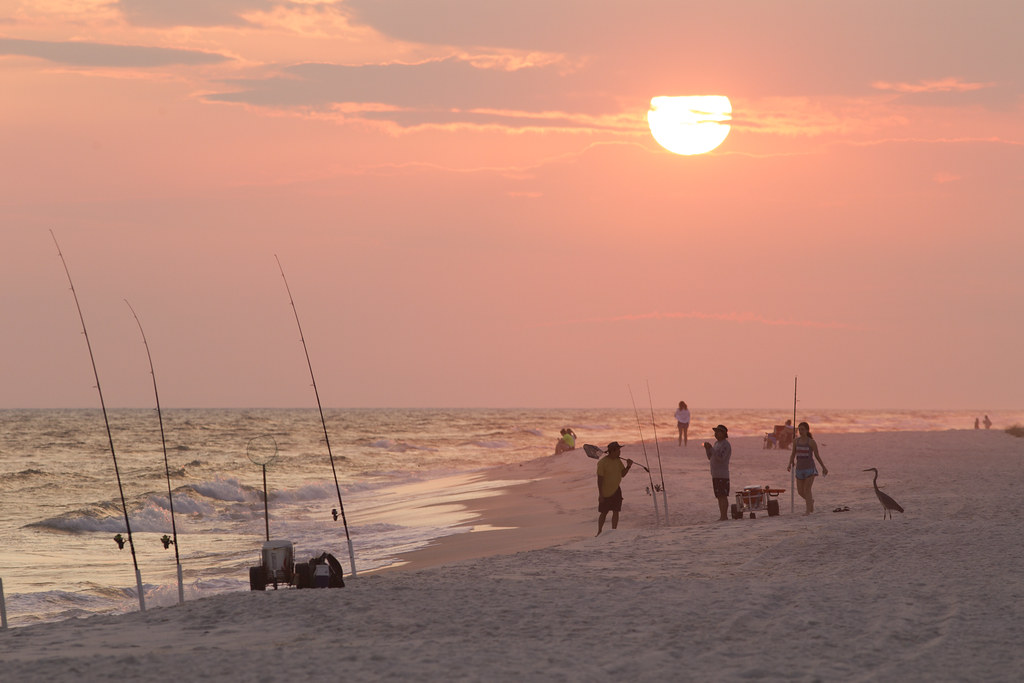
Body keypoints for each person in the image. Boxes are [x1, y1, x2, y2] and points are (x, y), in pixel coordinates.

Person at [786, 421, 828, 515]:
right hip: (799, 469)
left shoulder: (811, 442)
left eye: (802, 429)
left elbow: (817, 456)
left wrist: (823, 467)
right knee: (800, 491)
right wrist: (790, 463)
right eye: (799, 429)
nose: (801, 431)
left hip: (810, 469)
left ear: (807, 430)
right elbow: (793, 454)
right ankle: (810, 502)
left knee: (807, 489)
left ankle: (807, 511)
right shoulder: (796, 441)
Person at [596, 441, 634, 535]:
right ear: (612, 451)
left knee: (616, 511)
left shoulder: (618, 461)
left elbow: (622, 474)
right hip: (605, 491)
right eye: (618, 451)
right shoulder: (602, 463)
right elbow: (599, 480)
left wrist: (628, 466)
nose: (619, 453)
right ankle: (599, 531)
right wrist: (600, 494)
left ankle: (614, 531)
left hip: (616, 489)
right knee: (604, 513)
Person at [703, 425, 731, 521]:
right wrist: (708, 449)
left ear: (724, 434)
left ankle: (724, 516)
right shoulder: (716, 443)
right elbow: (710, 457)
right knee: (719, 496)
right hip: (715, 474)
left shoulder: (726, 445)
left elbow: (721, 458)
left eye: (718, 432)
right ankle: (722, 515)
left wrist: (712, 449)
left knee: (723, 496)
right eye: (715, 432)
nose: (716, 434)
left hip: (723, 474)